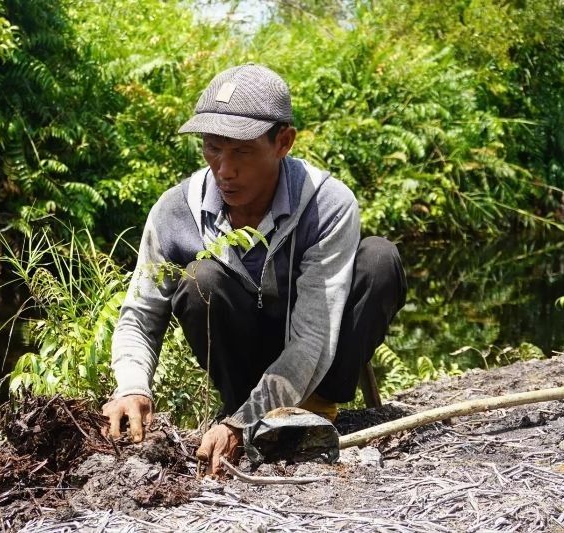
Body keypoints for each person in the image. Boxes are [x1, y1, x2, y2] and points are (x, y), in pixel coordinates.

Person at [102, 64, 406, 475]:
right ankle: (243, 408)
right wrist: (132, 387)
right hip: (242, 365)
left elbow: (313, 336)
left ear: (283, 142)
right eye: (212, 148)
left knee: (379, 260)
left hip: (317, 362)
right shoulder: (175, 211)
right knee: (201, 280)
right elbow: (140, 315)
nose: (224, 170)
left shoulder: (327, 203)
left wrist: (243, 424)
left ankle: (316, 407)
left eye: (242, 151)